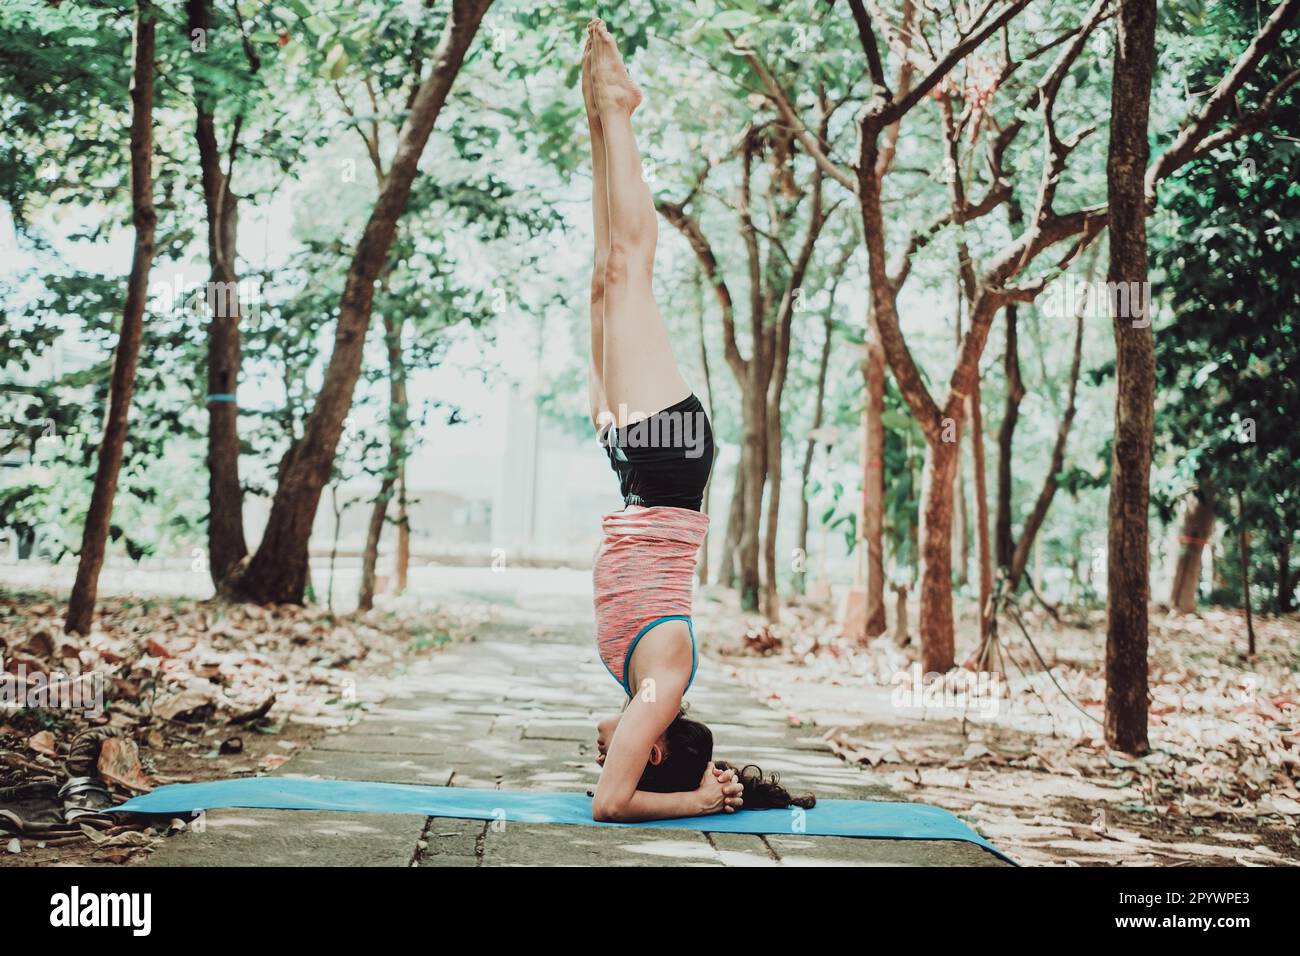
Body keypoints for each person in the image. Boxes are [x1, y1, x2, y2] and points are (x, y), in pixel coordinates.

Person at [581, 19, 814, 823]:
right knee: (627, 268)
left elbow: (614, 782)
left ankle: (603, 119)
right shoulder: (660, 684)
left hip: (633, 464)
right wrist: (705, 805)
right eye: (621, 748)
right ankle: (619, 110)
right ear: (653, 747)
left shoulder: (637, 680)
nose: (602, 746)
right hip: (669, 465)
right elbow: (610, 805)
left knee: (602, 278)